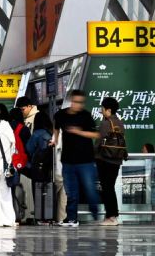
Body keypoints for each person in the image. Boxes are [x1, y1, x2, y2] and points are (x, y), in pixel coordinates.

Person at [54, 89, 101, 227]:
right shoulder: (60, 115)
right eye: (75, 102)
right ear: (71, 101)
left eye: (81, 103)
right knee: (71, 191)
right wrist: (55, 139)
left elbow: (96, 135)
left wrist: (78, 132)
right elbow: (56, 127)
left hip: (85, 160)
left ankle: (95, 211)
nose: (78, 105)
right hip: (67, 160)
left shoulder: (85, 116)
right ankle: (72, 218)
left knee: (89, 189)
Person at [96, 97, 126, 226]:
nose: (101, 111)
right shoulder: (120, 122)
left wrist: (93, 154)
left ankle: (111, 217)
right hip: (117, 160)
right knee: (110, 187)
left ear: (108, 109)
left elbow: (98, 142)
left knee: (107, 188)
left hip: (105, 159)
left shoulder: (105, 123)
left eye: (102, 108)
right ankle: (113, 215)